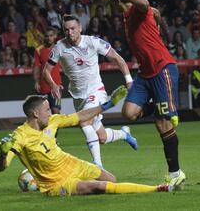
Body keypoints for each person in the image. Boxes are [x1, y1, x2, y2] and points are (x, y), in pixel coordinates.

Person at [0, 94, 173, 196]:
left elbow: (80, 116)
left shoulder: (53, 121)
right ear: (35, 113)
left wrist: (106, 105)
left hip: (73, 164)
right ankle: (157, 188)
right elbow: (1, 168)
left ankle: (81, 182)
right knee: (98, 187)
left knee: (111, 180)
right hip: (55, 184)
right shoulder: (19, 136)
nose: (51, 113)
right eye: (47, 110)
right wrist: (3, 155)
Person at [105, 0, 186, 187]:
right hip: (145, 73)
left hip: (162, 69)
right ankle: (162, 106)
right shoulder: (129, 16)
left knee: (164, 123)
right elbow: (155, 13)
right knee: (129, 113)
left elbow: (145, 3)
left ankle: (176, 172)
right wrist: (156, 22)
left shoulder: (137, 10)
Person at [43, 14, 137, 168]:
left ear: (80, 28)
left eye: (73, 28)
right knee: (102, 137)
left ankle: (98, 166)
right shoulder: (59, 47)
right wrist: (53, 85)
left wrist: (129, 80)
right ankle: (124, 134)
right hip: (77, 97)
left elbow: (118, 58)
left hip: (96, 91)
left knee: (84, 121)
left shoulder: (93, 42)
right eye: (66, 30)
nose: (70, 32)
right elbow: (46, 71)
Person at [33, 27, 62, 114]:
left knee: (56, 110)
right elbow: (36, 67)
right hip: (43, 86)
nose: (49, 38)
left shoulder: (60, 48)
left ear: (55, 36)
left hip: (56, 86)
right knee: (43, 112)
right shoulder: (39, 50)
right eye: (47, 36)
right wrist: (36, 82)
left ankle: (56, 128)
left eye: (51, 35)